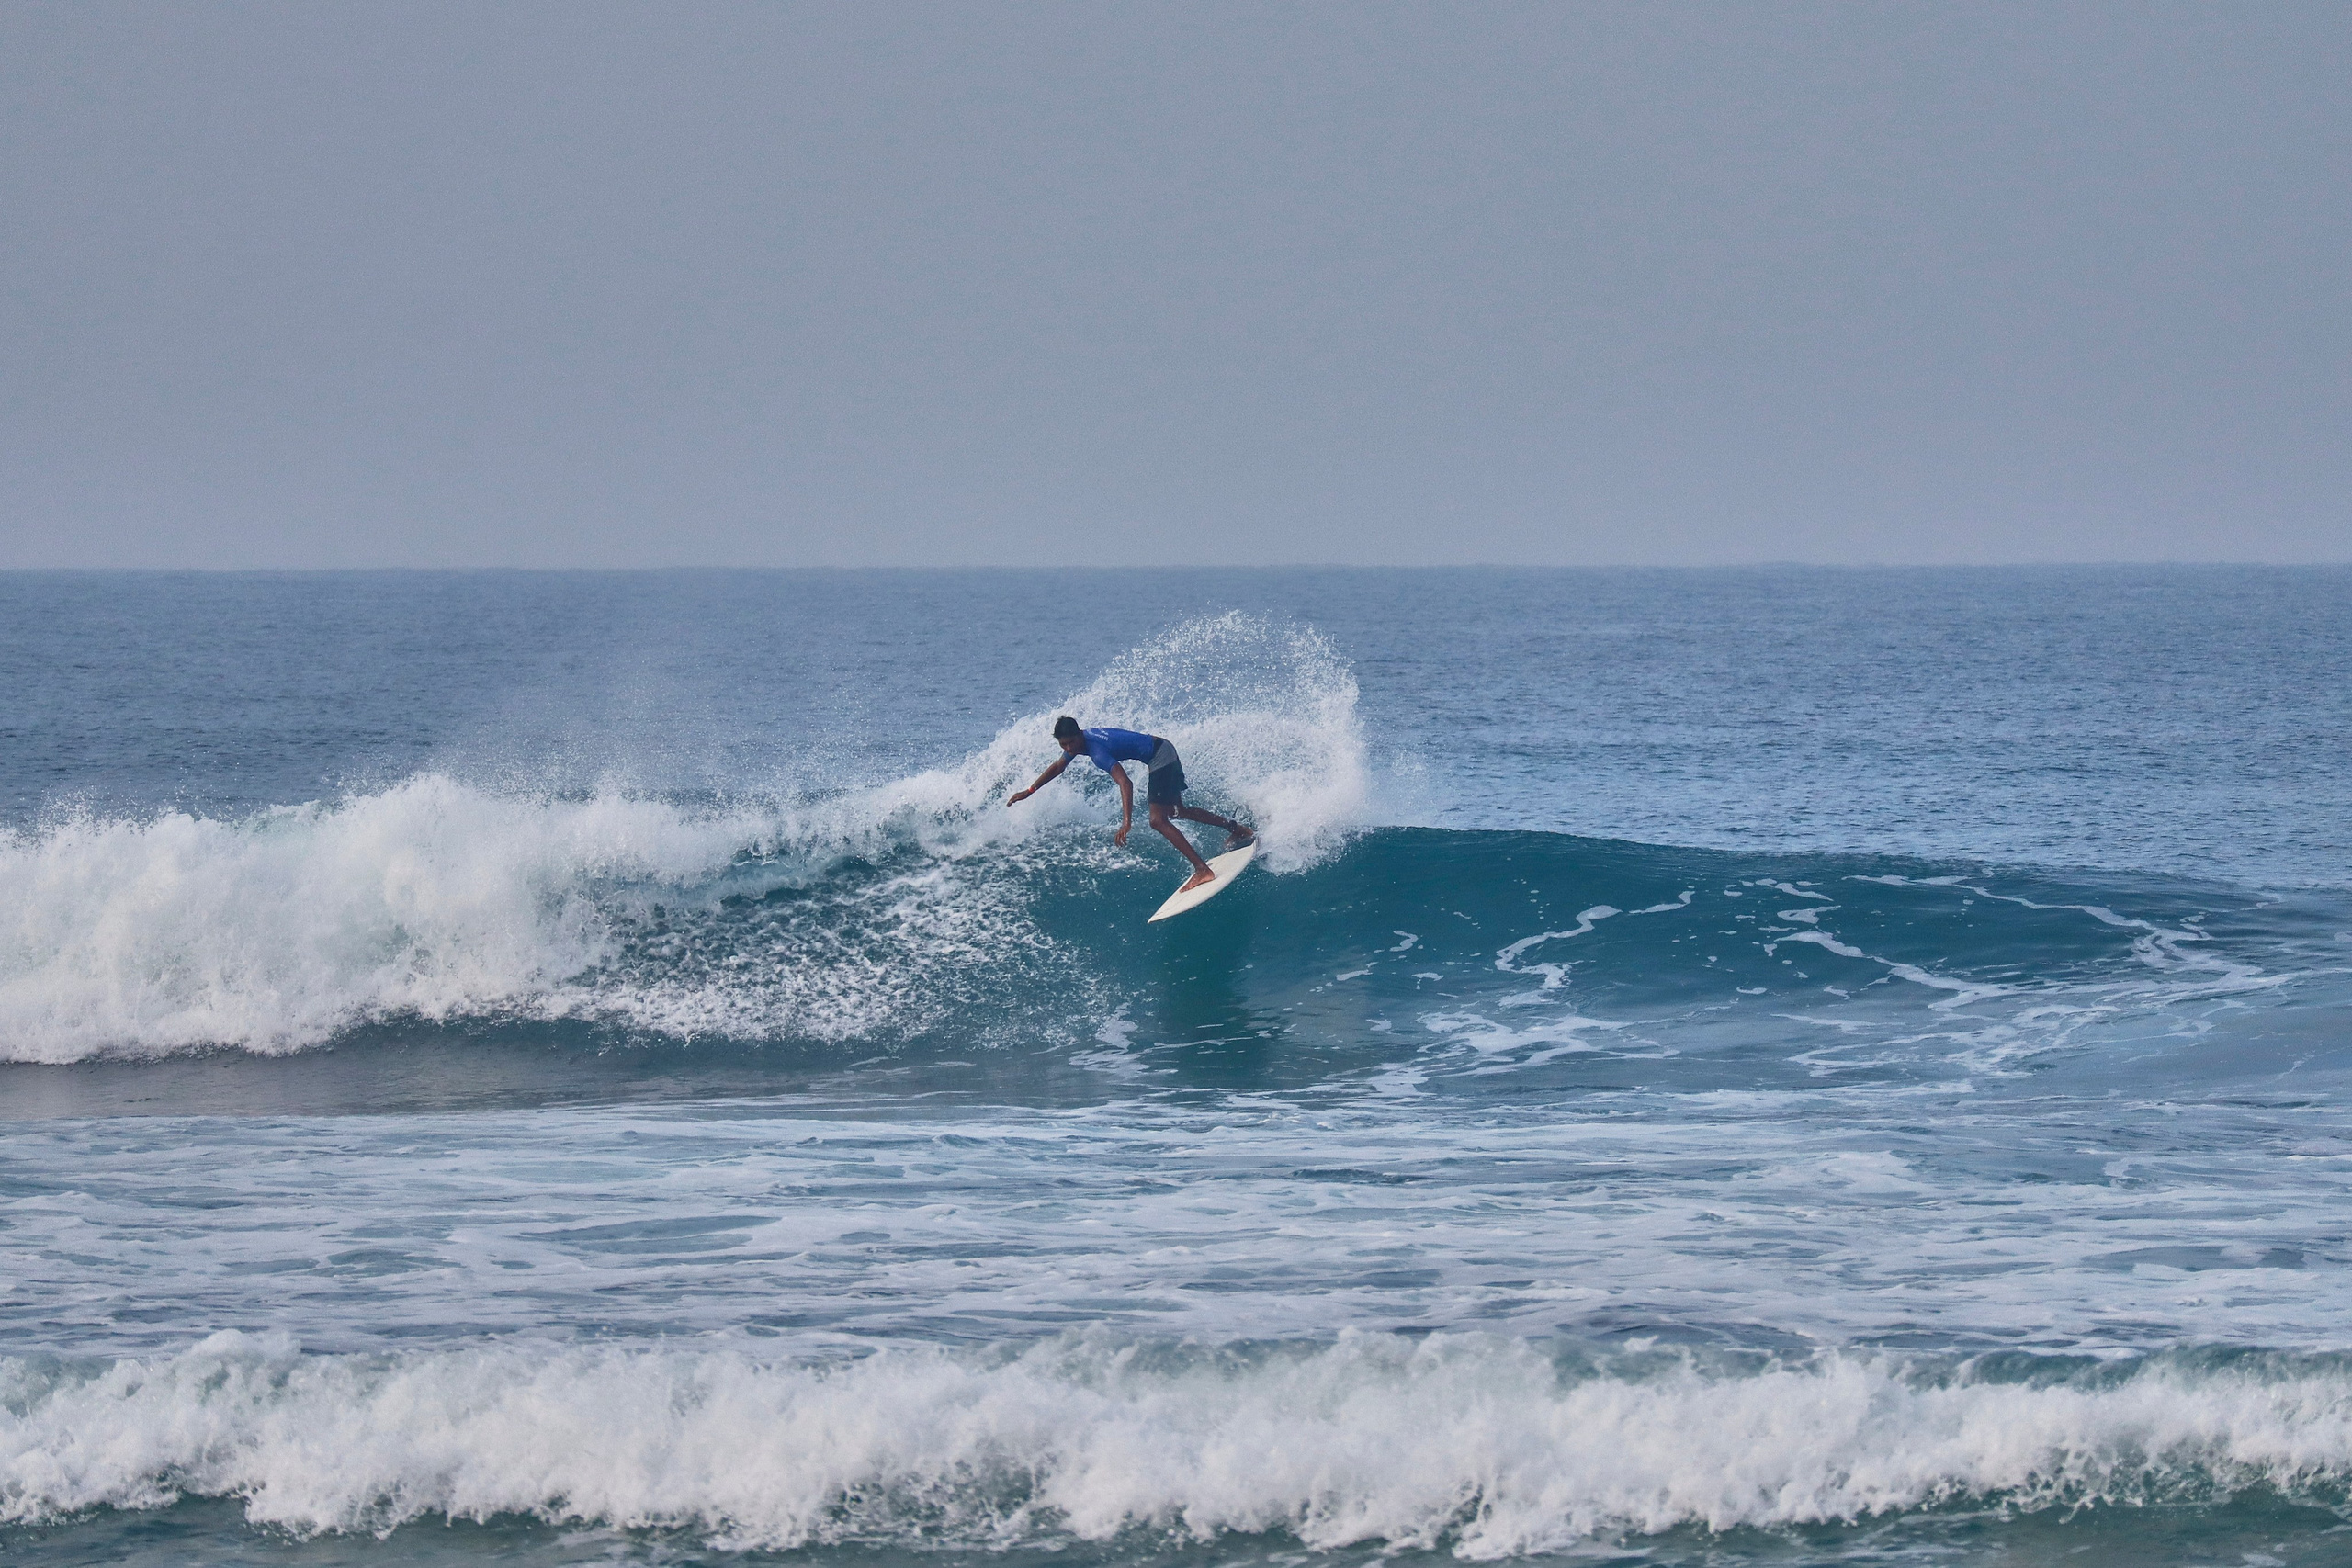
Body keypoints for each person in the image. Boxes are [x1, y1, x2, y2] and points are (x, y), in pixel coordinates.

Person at [1007, 716, 1254, 892]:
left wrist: (1126, 823)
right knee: (1178, 811)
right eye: (1064, 745)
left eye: (1071, 743)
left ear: (1079, 733)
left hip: (1160, 756)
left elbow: (1125, 782)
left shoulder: (1096, 751)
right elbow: (1058, 766)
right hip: (1164, 748)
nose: (1069, 748)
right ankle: (1237, 829)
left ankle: (1202, 870)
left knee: (1157, 821)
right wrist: (1030, 791)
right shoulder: (1082, 741)